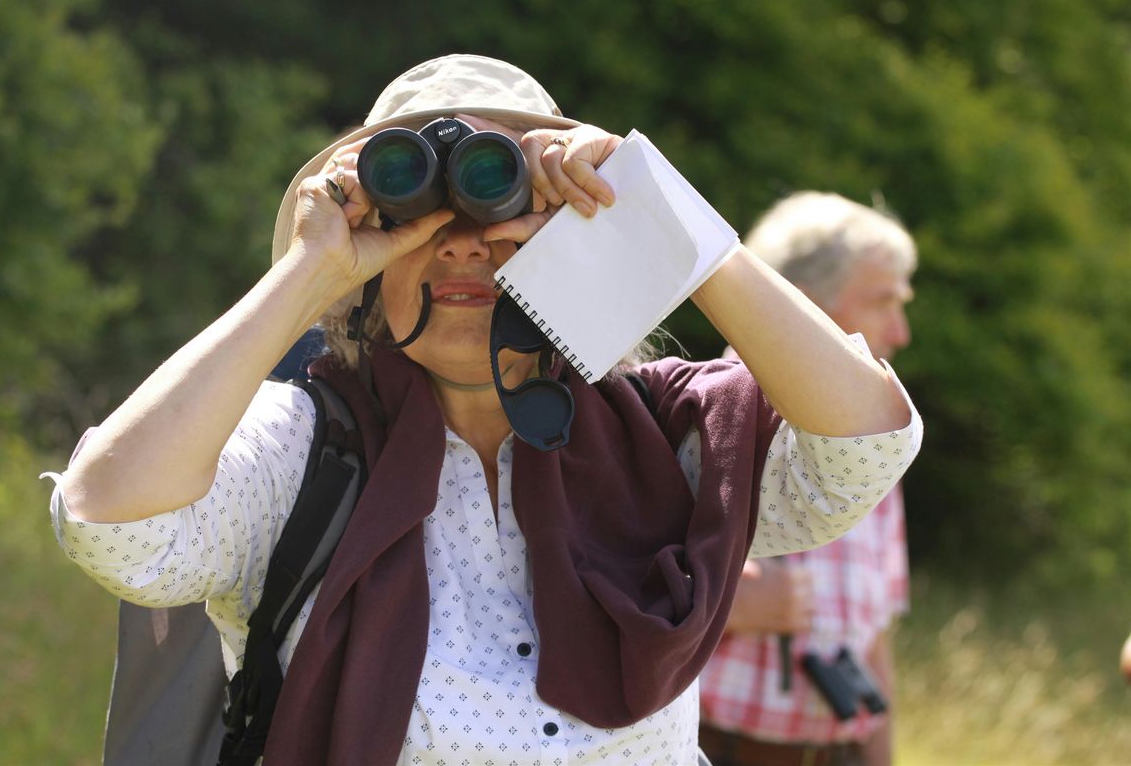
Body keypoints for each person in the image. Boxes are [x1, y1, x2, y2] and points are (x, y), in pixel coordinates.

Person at [46, 55, 922, 765]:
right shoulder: (306, 450)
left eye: (500, 196)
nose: (461, 241)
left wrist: (659, 217)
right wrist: (310, 272)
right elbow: (112, 522)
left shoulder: (669, 433)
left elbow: (864, 446)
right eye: (422, 205)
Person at [698, 191, 918, 766]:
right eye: (883, 302)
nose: (901, 332)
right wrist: (722, 607)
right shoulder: (692, 417)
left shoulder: (877, 439)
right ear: (803, 300)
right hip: (708, 748)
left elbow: (876, 638)